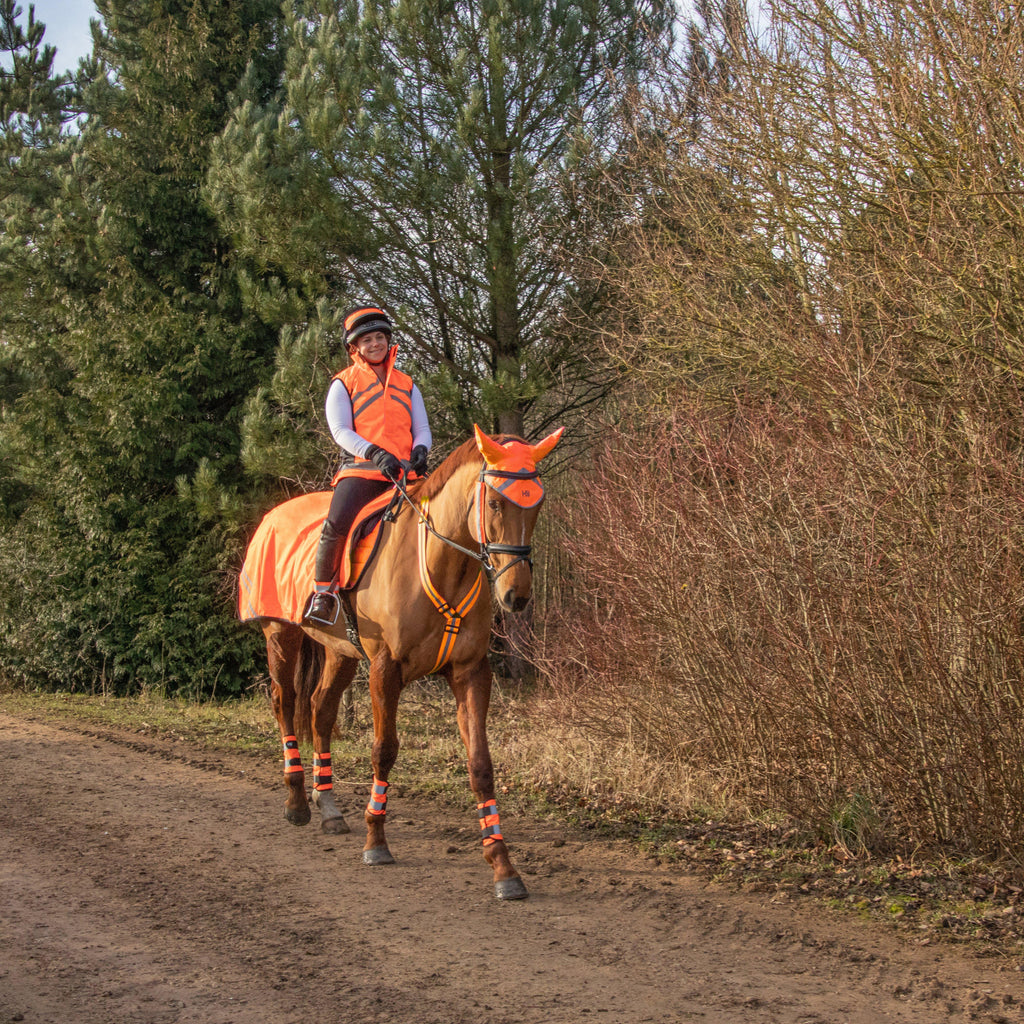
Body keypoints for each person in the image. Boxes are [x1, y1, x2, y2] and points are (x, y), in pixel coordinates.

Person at [304, 304, 432, 625]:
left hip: (406, 474)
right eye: (367, 340)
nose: (375, 344)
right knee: (336, 524)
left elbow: (423, 429)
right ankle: (324, 594)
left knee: (445, 514)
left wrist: (421, 451)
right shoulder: (342, 383)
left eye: (380, 337)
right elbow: (340, 431)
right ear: (354, 347)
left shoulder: (407, 383)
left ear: (388, 340)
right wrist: (374, 453)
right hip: (363, 471)